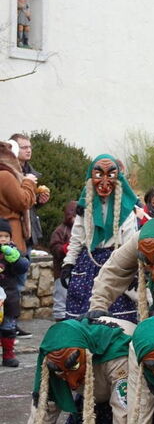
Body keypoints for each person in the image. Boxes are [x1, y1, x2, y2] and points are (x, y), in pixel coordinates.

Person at [7, 316, 134, 424]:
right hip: (91, 394)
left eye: (73, 367)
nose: (71, 382)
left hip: (129, 394)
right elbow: (45, 407)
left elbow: (124, 413)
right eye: (61, 372)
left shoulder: (118, 356)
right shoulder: (54, 361)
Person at [61, 154, 139, 321]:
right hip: (88, 265)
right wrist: (68, 263)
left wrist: (133, 271)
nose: (104, 181)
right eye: (99, 175)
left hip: (116, 263)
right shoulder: (84, 209)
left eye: (110, 175)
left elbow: (131, 243)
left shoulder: (126, 212)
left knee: (115, 319)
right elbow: (76, 238)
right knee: (83, 318)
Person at [10, 133, 51, 336]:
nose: (28, 150)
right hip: (13, 235)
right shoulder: (11, 173)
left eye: (29, 146)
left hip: (28, 234)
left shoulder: (31, 173)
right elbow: (17, 203)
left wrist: (40, 201)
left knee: (20, 281)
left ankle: (11, 322)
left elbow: (29, 207)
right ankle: (8, 324)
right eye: (23, 147)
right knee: (12, 281)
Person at [0, 219, 30, 367]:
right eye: (0, 236)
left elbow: (24, 267)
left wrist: (17, 259)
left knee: (8, 327)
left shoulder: (13, 251)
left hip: (9, 296)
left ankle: (8, 355)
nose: (3, 239)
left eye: (6, 236)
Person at [49, 200, 77, 321]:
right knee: (61, 299)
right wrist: (65, 248)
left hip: (77, 272)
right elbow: (54, 248)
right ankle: (60, 322)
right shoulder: (61, 230)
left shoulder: (84, 231)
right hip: (61, 271)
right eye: (74, 216)